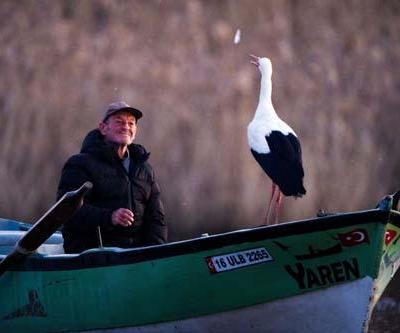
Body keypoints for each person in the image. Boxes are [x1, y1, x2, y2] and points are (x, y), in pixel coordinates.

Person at [57, 101, 167, 253]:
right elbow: (66, 212)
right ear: (103, 128)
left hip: (135, 257)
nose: (126, 127)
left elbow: (156, 219)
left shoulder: (145, 169)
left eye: (131, 123)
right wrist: (110, 217)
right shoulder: (79, 164)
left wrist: (154, 255)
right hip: (91, 257)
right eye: (119, 122)